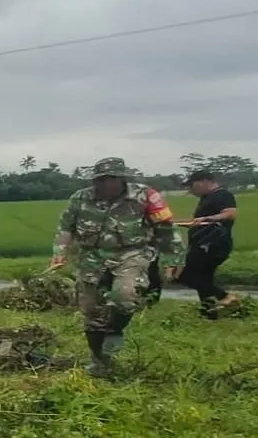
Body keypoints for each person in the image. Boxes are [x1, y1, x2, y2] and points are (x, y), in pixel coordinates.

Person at [50, 157, 184, 377]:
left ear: (121, 179)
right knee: (91, 312)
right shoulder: (80, 198)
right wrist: (59, 253)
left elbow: (165, 228)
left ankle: (115, 329)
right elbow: (65, 227)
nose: (103, 185)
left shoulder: (146, 196)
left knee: (124, 295)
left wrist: (174, 257)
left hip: (131, 254)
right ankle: (99, 361)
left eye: (110, 179)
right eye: (99, 180)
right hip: (91, 257)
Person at [180, 170, 239, 318]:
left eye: (192, 185)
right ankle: (210, 313)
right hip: (202, 243)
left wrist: (209, 218)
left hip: (213, 244)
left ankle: (225, 296)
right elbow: (204, 222)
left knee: (184, 274)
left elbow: (230, 214)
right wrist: (195, 224)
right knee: (204, 278)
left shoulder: (223, 195)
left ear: (205, 181)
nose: (190, 190)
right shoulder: (207, 198)